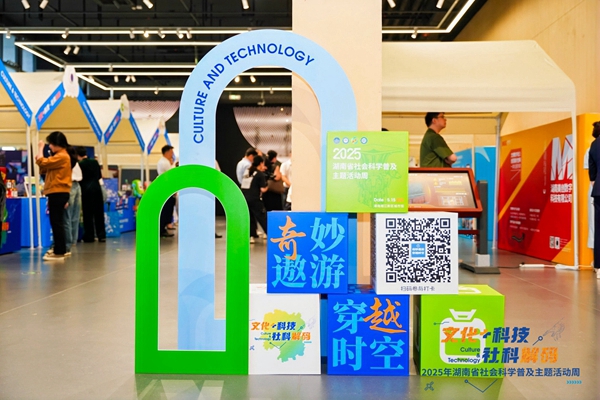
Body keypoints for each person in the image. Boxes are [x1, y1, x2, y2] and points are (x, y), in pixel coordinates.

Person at [35, 132, 72, 261]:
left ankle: (60, 251)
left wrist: (40, 148)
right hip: (58, 192)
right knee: (57, 222)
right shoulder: (60, 157)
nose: (49, 146)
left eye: (51, 143)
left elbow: (42, 162)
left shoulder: (62, 156)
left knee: (57, 222)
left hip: (58, 192)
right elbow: (44, 166)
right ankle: (60, 248)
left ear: (57, 144)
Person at [76, 147, 106, 243]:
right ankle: (101, 235)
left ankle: (89, 236)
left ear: (77, 155)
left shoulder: (79, 164)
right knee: (99, 213)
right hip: (97, 189)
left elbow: (79, 178)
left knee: (88, 214)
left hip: (86, 190)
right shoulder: (95, 162)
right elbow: (99, 176)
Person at [241, 155, 268, 244]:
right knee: (262, 217)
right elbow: (263, 189)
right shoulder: (260, 174)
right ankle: (269, 233)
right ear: (261, 163)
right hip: (255, 199)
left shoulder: (247, 171)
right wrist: (268, 184)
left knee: (250, 217)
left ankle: (251, 236)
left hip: (244, 198)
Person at [587, 121, 600, 279]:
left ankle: (599, 266)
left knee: (599, 229)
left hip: (598, 191)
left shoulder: (594, 145)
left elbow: (592, 175)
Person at [157, 145, 176, 238]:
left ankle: (163, 227)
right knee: (166, 209)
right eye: (171, 152)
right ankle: (161, 228)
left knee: (168, 208)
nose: (172, 154)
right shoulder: (164, 163)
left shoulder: (165, 162)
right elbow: (170, 176)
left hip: (166, 188)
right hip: (166, 188)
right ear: (167, 152)